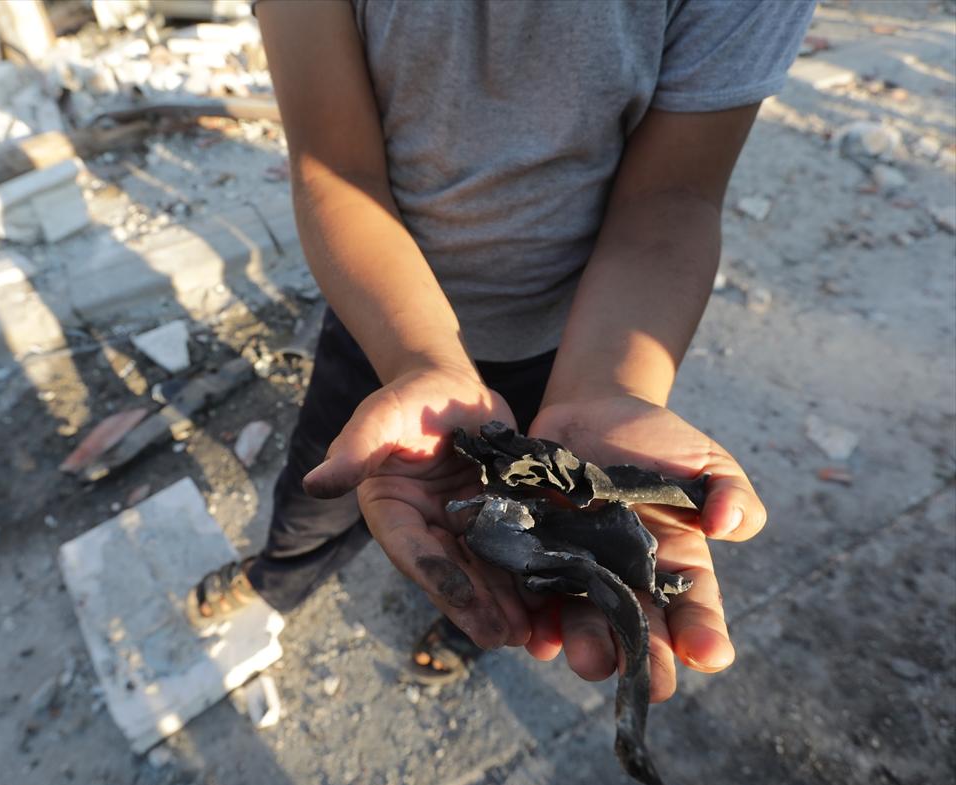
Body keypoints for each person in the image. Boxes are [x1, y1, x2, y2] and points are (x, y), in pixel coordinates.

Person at [187, 0, 814, 697]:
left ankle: (479, 621)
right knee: (319, 490)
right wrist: (419, 359)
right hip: (383, 332)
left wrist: (611, 388)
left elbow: (673, 196)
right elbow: (336, 165)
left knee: (501, 578)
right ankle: (281, 574)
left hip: (576, 341)